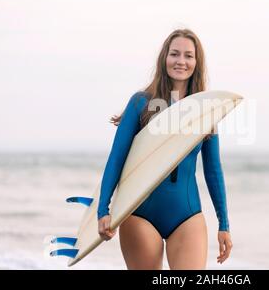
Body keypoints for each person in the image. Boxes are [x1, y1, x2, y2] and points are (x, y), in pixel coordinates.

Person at [97, 28, 233, 270]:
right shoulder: (141, 102)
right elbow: (116, 158)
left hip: (187, 216)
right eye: (175, 54)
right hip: (140, 214)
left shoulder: (205, 110)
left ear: (196, 63)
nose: (181, 61)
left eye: (189, 56)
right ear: (164, 58)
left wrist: (224, 224)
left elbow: (213, 171)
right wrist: (103, 209)